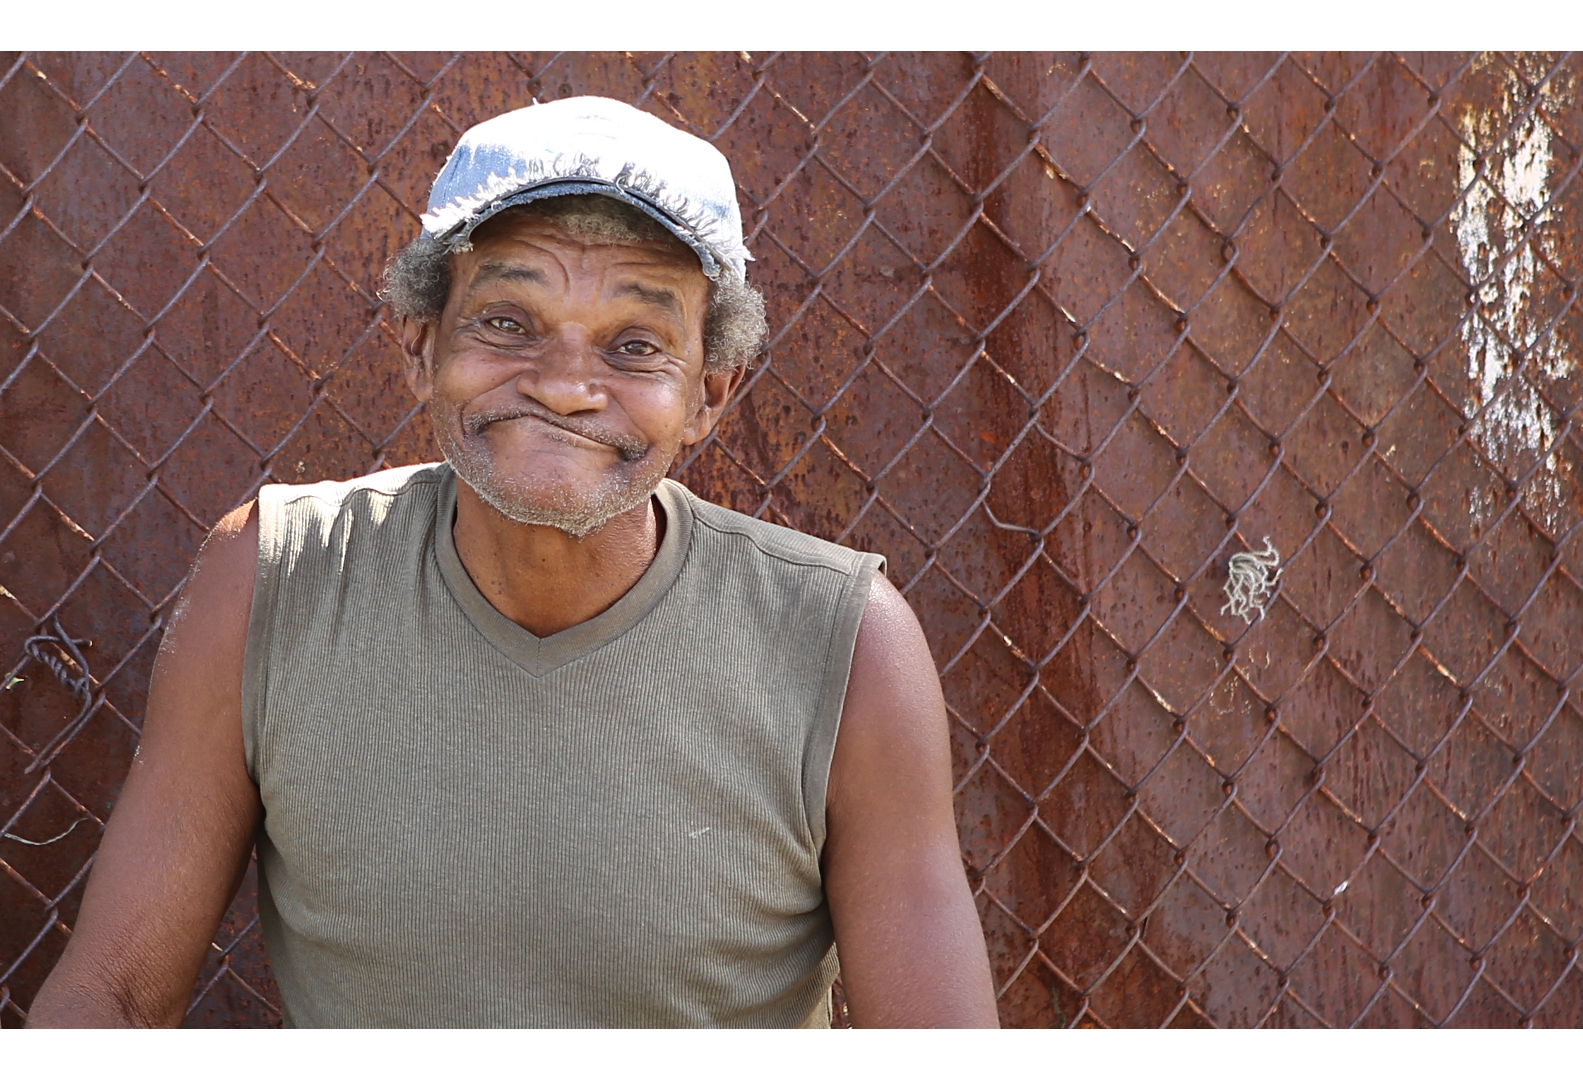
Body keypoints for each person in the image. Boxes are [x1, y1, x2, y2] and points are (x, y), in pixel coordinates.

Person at [27, 97, 998, 1028]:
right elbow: (111, 997)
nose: (567, 386)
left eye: (635, 343)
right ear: (419, 343)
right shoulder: (274, 579)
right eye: (507, 322)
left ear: (708, 395)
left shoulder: (849, 644)